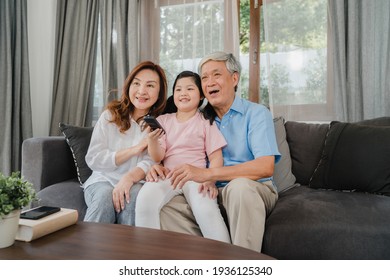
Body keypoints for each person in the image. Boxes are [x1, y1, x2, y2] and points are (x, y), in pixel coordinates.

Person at [156, 52, 281, 252]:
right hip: (209, 190)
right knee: (167, 208)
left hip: (252, 188)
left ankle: (241, 268)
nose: (209, 81)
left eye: (216, 75)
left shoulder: (257, 114)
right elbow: (172, 147)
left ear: (234, 78)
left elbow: (265, 167)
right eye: (204, 78)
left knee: (239, 188)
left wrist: (208, 174)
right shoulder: (199, 119)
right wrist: (156, 165)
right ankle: (215, 258)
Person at [135, 71, 231, 243]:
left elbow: (216, 157)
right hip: (169, 175)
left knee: (206, 209)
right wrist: (152, 140)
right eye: (178, 89)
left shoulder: (205, 121)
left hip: (196, 176)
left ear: (201, 95)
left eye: (189, 89)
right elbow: (158, 156)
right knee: (144, 200)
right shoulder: (164, 120)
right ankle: (147, 256)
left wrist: (210, 180)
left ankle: (225, 259)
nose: (183, 93)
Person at [82, 61, 167, 225]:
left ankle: (128, 250)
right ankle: (88, 250)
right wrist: (134, 150)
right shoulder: (110, 116)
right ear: (129, 86)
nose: (142, 91)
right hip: (102, 179)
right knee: (104, 198)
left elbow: (151, 161)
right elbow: (94, 158)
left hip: (136, 181)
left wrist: (128, 178)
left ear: (159, 92)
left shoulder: (158, 123)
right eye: (137, 83)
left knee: (134, 199)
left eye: (150, 85)